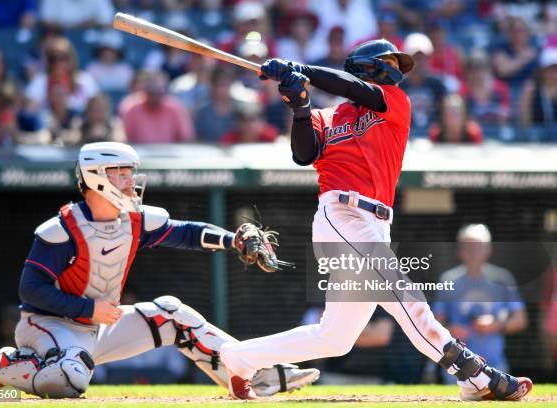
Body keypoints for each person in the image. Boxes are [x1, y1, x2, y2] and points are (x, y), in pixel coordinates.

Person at [219, 39, 533, 401]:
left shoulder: (393, 102)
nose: (397, 68)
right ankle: (473, 374)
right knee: (405, 296)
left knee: (334, 337)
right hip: (341, 214)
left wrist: (302, 70)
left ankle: (239, 357)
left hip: (375, 223)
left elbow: (351, 87)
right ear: (365, 64)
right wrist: (301, 106)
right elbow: (303, 154)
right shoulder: (327, 115)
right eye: (389, 61)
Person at [0, 142, 319, 398]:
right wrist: (87, 309)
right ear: (98, 177)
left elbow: (186, 233)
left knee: (172, 315)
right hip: (47, 326)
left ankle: (255, 374)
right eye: (122, 174)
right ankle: (2, 367)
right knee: (69, 381)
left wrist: (232, 240)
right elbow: (30, 290)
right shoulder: (61, 229)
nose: (131, 182)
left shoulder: (133, 220)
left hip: (98, 327)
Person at [433, 224, 528, 384]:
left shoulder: (502, 279)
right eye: (468, 248)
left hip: (496, 367)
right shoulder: (448, 280)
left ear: (487, 250)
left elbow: (520, 320)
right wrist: (450, 332)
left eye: (478, 248)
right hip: (456, 367)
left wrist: (496, 325)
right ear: (460, 251)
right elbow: (435, 322)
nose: (473, 254)